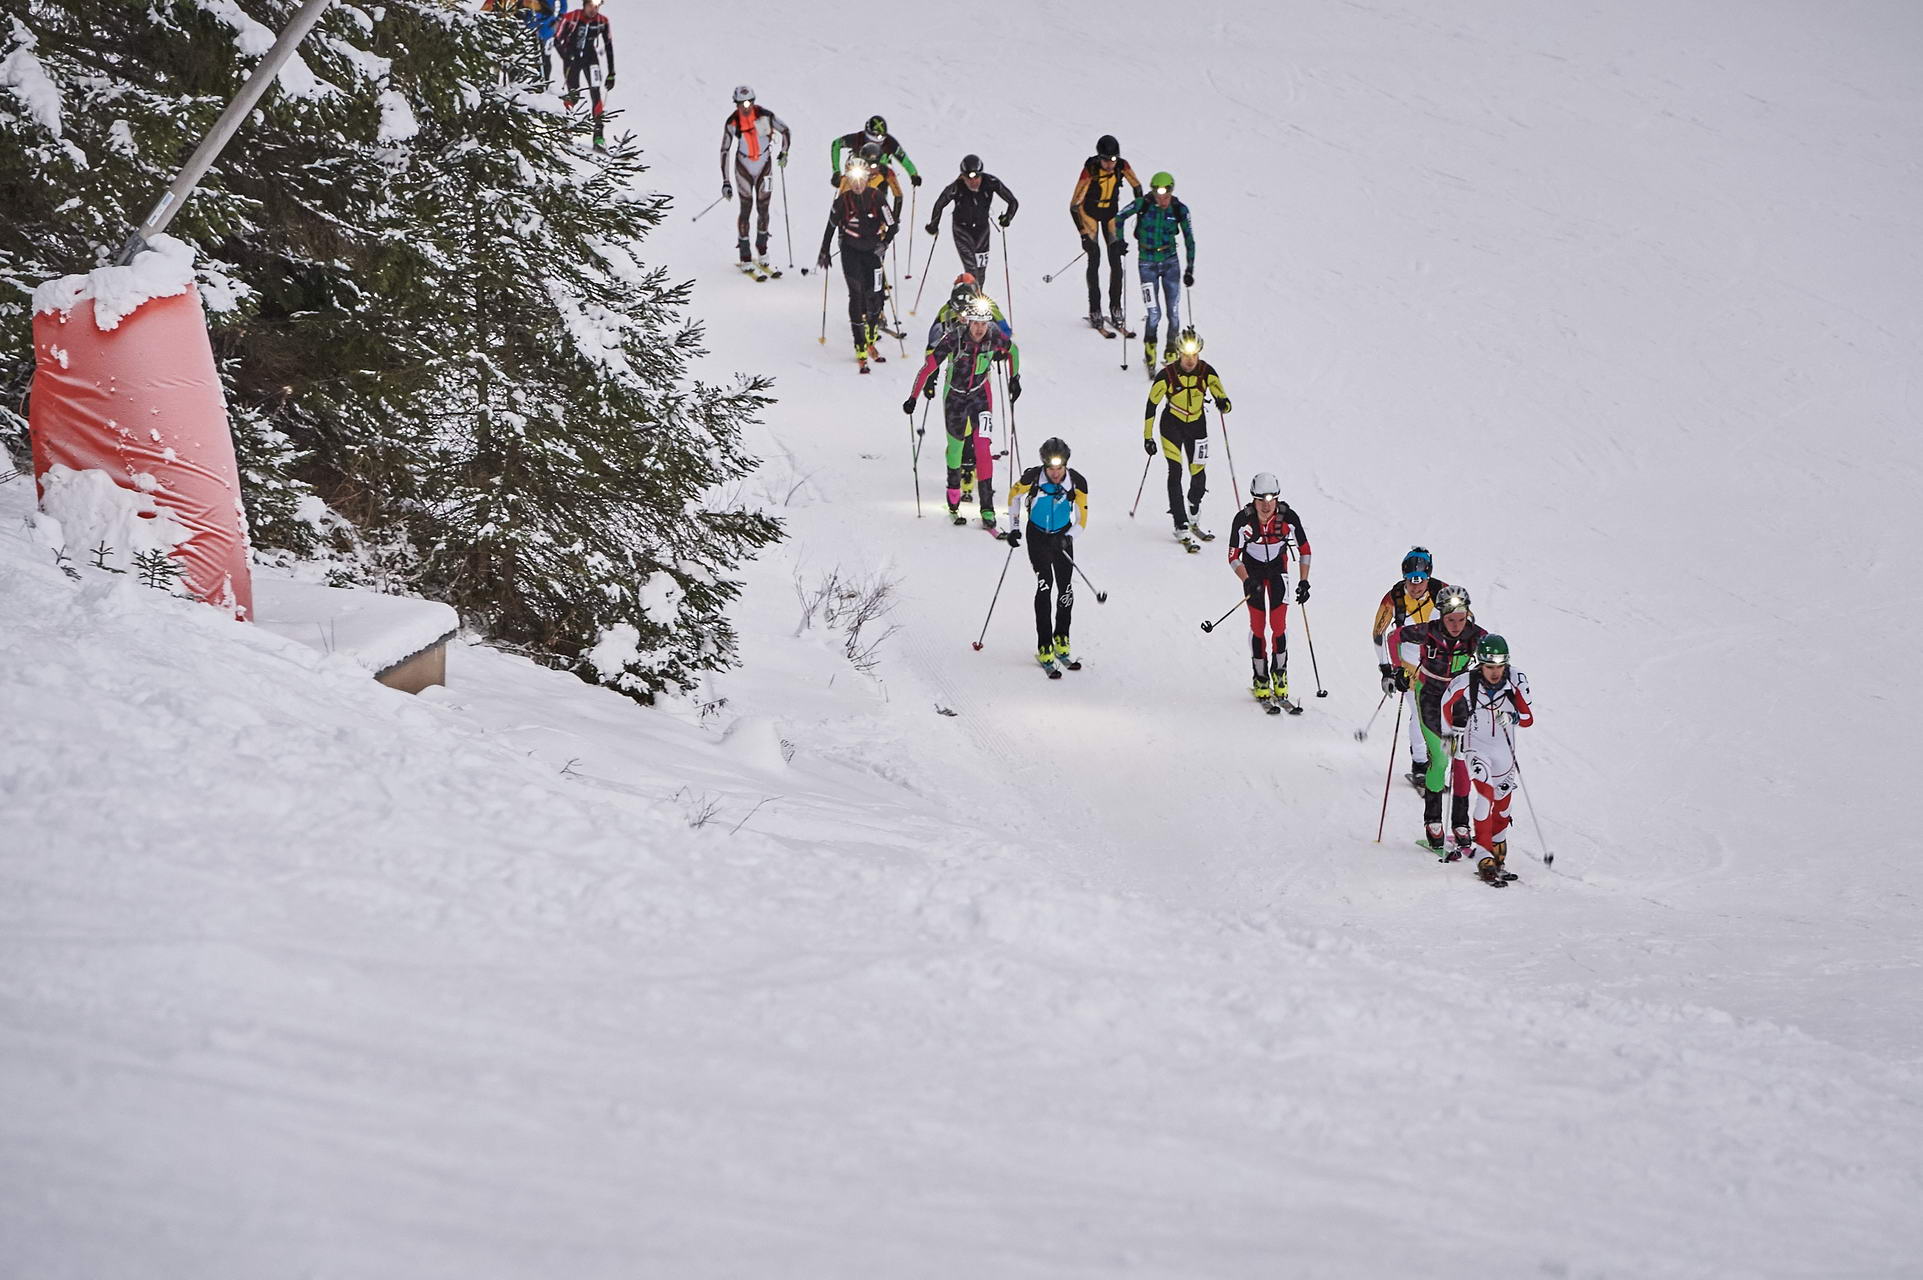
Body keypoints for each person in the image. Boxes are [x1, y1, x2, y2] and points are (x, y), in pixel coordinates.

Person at [1386, 585, 1490, 856]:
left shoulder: (1477, 635)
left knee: (1462, 761)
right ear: (1441, 616)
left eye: (1461, 618)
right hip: (1430, 696)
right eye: (1451, 619)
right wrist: (1398, 669)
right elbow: (1394, 637)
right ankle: (1433, 821)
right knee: (1441, 759)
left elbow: (1495, 661)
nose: (1456, 625)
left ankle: (1460, 825)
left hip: (1459, 699)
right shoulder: (1428, 630)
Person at [902, 296, 1020, 529]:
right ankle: (953, 494)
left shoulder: (994, 336)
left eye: (983, 323)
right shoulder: (954, 339)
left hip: (980, 396)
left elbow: (1013, 351)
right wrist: (913, 398)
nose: (979, 329)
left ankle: (987, 507)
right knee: (955, 448)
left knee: (983, 449)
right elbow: (928, 368)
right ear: (967, 322)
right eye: (975, 323)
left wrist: (1015, 379)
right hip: (955, 397)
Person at [1440, 634, 1534, 883]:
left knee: (1503, 804)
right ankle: (1483, 854)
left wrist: (1512, 718)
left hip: (1504, 751)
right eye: (1489, 667)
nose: (1495, 672)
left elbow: (1528, 718)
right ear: (1480, 664)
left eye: (1499, 666)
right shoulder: (1465, 681)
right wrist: (1449, 734)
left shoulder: (1516, 680)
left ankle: (1498, 845)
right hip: (1476, 747)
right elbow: (1446, 705)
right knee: (1485, 795)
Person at [1005, 437, 1089, 677]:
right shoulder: (1032, 478)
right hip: (1038, 537)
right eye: (1051, 468)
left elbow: (1082, 521)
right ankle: (1044, 644)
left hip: (1061, 537)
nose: (1055, 473)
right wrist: (1014, 527)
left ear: (1066, 465)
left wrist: (1068, 537)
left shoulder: (1077, 482)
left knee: (1065, 589)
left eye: (1059, 468)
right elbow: (1013, 498)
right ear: (1044, 464)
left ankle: (1062, 637)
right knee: (1045, 586)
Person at [1371, 547, 1454, 789]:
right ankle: (1420, 765)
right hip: (1408, 666)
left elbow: (1464, 620)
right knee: (1420, 714)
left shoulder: (1443, 592)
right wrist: (1387, 670)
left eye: (1420, 582)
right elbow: (1378, 633)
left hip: (1440, 664)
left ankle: (1445, 762)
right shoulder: (1394, 598)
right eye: (1410, 582)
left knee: (1447, 715)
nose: (1415, 588)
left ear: (1429, 577)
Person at [922, 278, 1010, 504]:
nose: (962, 316)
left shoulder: (986, 306)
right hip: (955, 375)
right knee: (957, 426)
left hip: (980, 372)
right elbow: (932, 344)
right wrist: (930, 378)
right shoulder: (945, 312)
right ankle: (957, 466)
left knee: (977, 427)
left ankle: (970, 466)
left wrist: (1000, 350)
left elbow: (1004, 331)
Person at [1226, 473, 1310, 707]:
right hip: (1252, 571)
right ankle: (1260, 677)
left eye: (1271, 498)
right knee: (1258, 626)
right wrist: (1245, 579)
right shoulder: (1243, 520)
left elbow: (1305, 549)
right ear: (1253, 499)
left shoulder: (1288, 517)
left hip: (1277, 571)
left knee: (1279, 625)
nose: (1266, 504)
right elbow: (1232, 556)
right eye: (1260, 498)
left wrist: (1304, 581)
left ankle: (1280, 673)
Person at [1142, 326, 1229, 546]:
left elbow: (1225, 403)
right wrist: (1147, 437)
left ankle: (1193, 503)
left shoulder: (1207, 371)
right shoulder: (1167, 375)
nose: (1190, 361)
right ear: (1179, 354)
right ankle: (1180, 523)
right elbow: (1151, 405)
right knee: (1176, 471)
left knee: (1198, 474)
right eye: (1186, 356)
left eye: (1194, 355)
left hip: (1197, 425)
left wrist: (1222, 403)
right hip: (1171, 424)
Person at [817, 157, 897, 371]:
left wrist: (885, 244)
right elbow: (831, 226)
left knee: (876, 296)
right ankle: (860, 345)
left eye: (861, 179)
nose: (857, 184)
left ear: (867, 178)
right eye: (853, 179)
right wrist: (824, 250)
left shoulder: (877, 197)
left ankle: (871, 338)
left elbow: (893, 225)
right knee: (857, 294)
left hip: (873, 252)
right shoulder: (842, 201)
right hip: (850, 251)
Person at [1113, 171, 1195, 369]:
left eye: (1166, 196)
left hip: (1170, 262)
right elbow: (1119, 217)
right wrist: (1119, 241)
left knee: (1173, 312)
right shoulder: (1144, 204)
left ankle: (1170, 350)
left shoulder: (1179, 209)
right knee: (1154, 313)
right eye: (1160, 196)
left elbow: (1189, 239)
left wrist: (1189, 269)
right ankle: (1150, 349)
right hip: (1146, 263)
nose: (1163, 199)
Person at [1068, 135, 1143, 335]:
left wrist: (1140, 213)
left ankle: (1116, 307)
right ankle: (1095, 309)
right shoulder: (1090, 170)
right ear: (1099, 157)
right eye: (1106, 160)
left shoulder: (1122, 166)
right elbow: (1074, 205)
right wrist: (1084, 236)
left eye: (1113, 160)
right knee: (1095, 259)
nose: (1110, 165)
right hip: (1090, 214)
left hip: (1110, 214)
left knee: (1115, 260)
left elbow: (1137, 187)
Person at [719, 85, 792, 276]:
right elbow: (725, 150)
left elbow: (785, 131)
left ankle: (763, 248)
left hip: (764, 165)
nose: (745, 107)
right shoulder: (732, 122)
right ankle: (744, 253)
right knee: (746, 208)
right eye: (741, 103)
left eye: (749, 102)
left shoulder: (765, 115)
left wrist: (784, 152)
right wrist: (726, 181)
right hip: (743, 167)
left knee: (764, 208)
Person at [925, 155, 1018, 283]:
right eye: (968, 178)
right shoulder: (956, 187)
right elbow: (939, 204)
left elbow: (1013, 201)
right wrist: (933, 225)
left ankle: (976, 299)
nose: (973, 182)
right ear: (962, 177)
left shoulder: (991, 182)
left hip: (982, 230)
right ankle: (971, 298)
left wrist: (1007, 218)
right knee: (971, 270)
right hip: (961, 230)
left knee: (981, 271)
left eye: (977, 177)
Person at [554, 0, 614, 151]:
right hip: (572, 59)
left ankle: (598, 137)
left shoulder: (602, 21)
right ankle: (566, 129)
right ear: (584, 5)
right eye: (591, 6)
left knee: (596, 95)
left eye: (597, 7)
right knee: (573, 94)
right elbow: (557, 39)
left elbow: (608, 46)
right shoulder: (571, 17)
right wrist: (566, 56)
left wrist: (611, 73)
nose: (593, 10)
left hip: (590, 59)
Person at [830, 115, 920, 189]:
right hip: (857, 171)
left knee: (881, 197)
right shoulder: (857, 138)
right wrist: (836, 172)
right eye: (869, 140)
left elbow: (904, 159)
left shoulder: (890, 143)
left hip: (879, 174)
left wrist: (913, 174)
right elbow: (836, 144)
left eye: (879, 142)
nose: (874, 145)